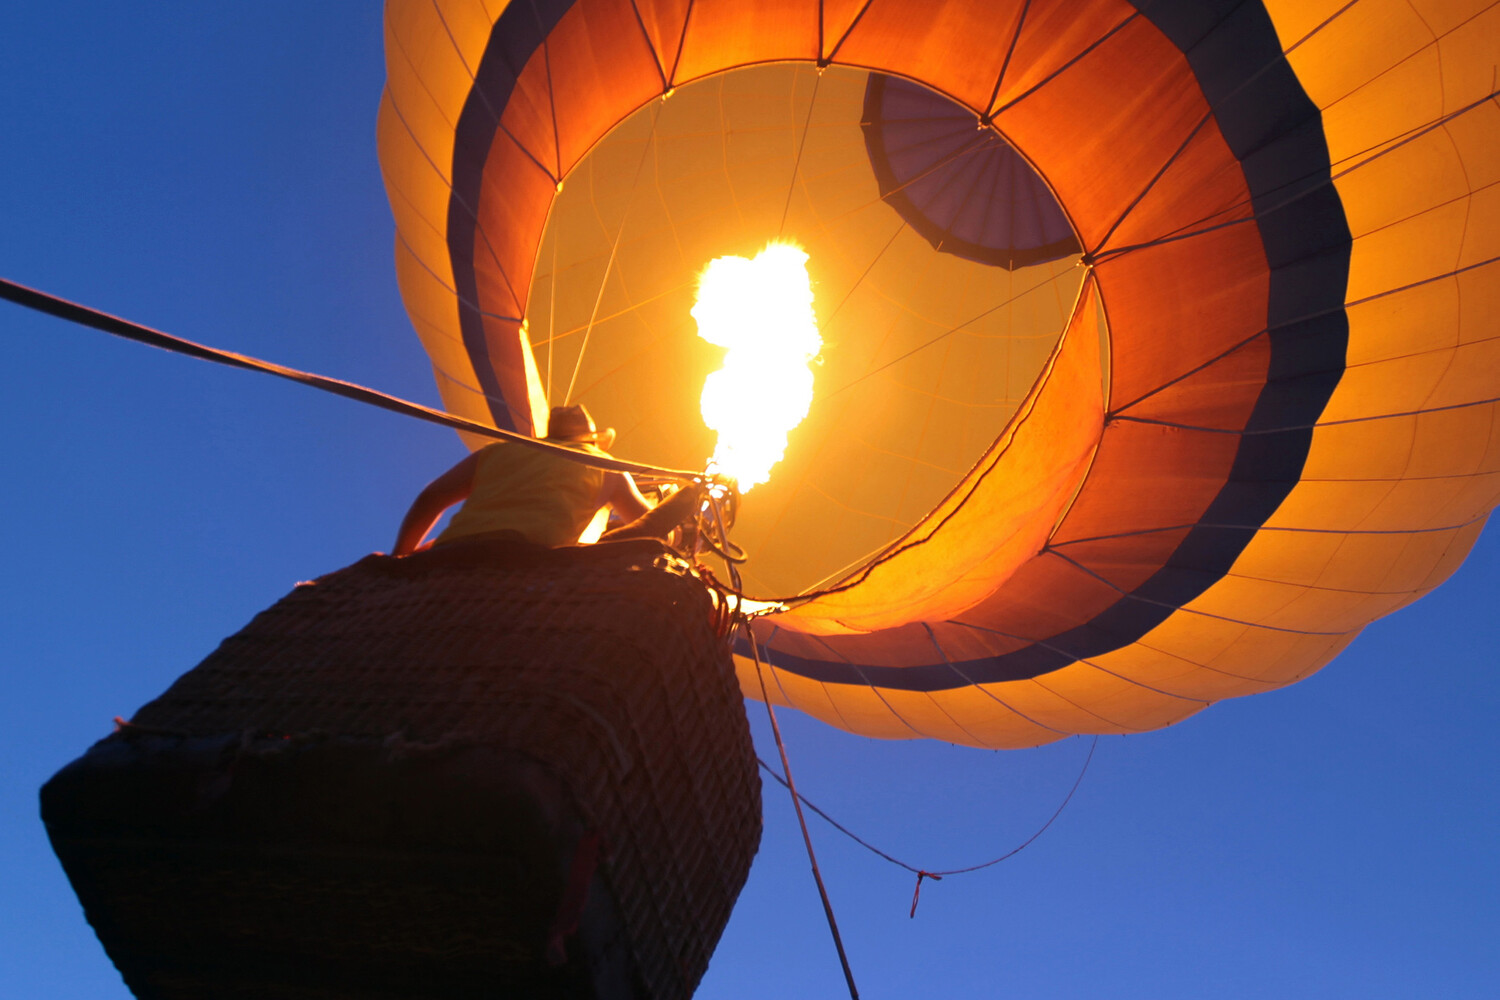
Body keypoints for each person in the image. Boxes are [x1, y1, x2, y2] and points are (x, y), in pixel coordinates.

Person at [392, 404, 653, 556]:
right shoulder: (605, 465)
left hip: (452, 553)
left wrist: (399, 557)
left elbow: (432, 498)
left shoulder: (499, 451)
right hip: (529, 566)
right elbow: (650, 526)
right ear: (591, 439)